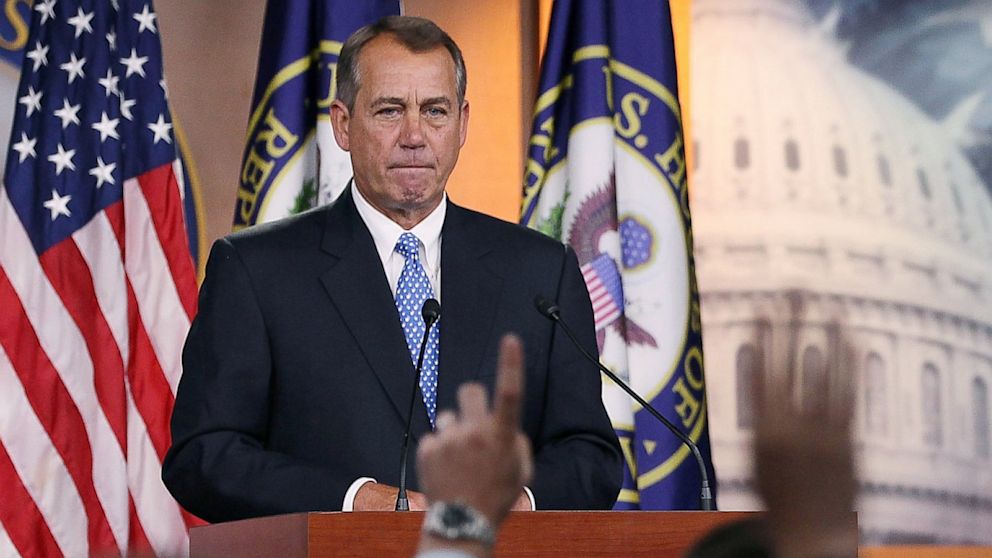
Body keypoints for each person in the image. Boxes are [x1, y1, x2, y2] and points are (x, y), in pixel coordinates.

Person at [162, 15, 622, 522]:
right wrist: (354, 499)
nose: (414, 136)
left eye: (435, 111)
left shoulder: (540, 272)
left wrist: (519, 501)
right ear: (343, 124)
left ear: (463, 124)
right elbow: (205, 456)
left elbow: (589, 454)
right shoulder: (255, 270)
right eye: (389, 111)